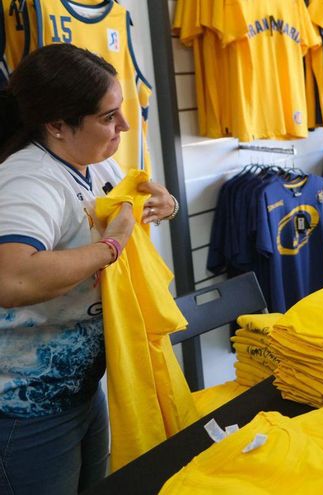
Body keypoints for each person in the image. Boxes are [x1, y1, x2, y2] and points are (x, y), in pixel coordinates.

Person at [0, 44, 178, 494]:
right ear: (57, 125)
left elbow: (115, 202)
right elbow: (12, 278)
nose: (123, 126)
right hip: (27, 405)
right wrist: (113, 244)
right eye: (108, 118)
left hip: (80, 390)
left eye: (120, 111)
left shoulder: (89, 163)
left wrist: (164, 203)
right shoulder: (27, 180)